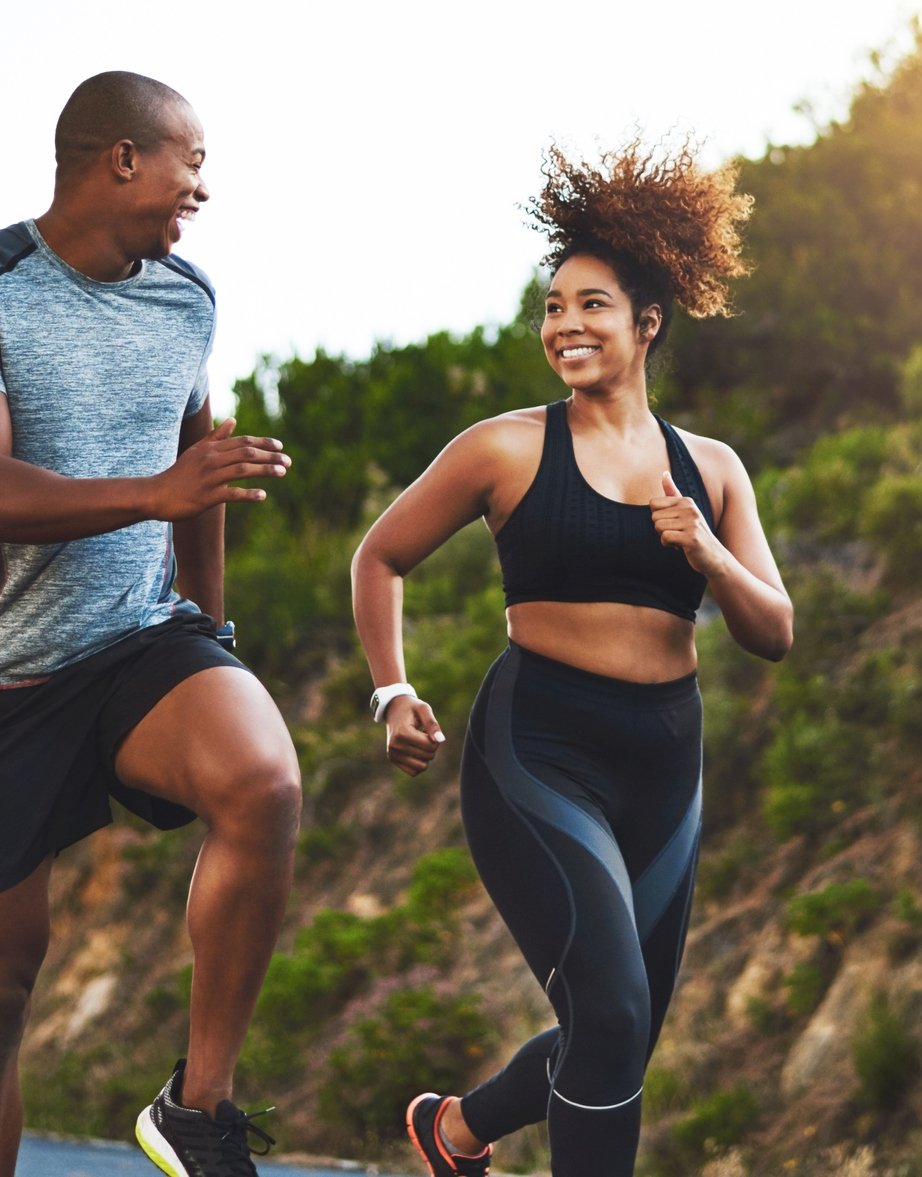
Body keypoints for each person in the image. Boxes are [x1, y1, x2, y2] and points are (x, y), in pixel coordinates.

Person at [349, 139, 795, 1177]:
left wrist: (708, 553)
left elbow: (772, 630)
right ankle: (459, 1134)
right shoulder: (504, 448)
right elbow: (383, 553)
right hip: (540, 747)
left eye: (591, 305)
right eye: (553, 307)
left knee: (619, 1031)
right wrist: (392, 688)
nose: (564, 326)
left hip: (665, 761)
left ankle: (453, 1131)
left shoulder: (712, 471)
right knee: (610, 1005)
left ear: (647, 322)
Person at [0, 70, 300, 1177]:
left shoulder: (188, 298)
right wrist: (151, 495)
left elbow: (198, 466)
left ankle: (199, 1105)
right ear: (122, 157)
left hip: (139, 642)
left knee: (262, 779)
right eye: (194, 160)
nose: (203, 189)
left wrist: (210, 634)